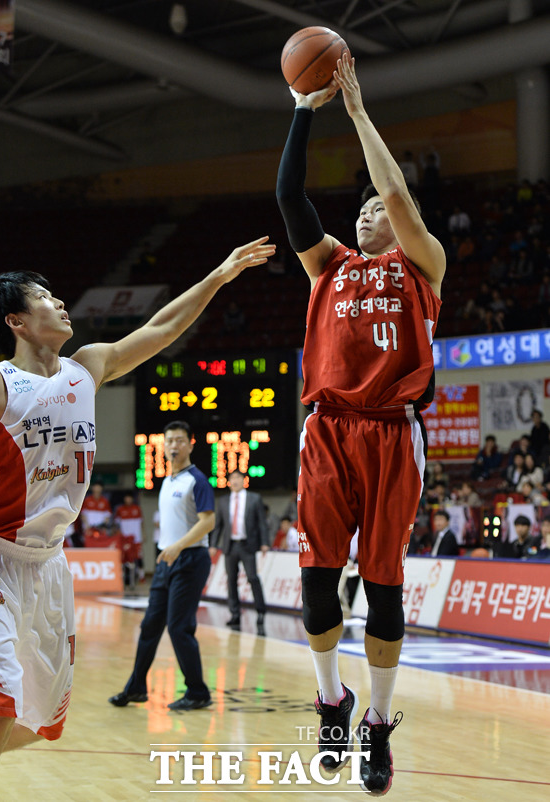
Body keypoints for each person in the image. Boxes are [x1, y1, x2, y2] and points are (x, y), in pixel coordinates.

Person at [0, 235, 275, 802]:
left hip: (49, 567)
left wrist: (219, 275)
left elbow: (160, 330)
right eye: (43, 297)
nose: (59, 303)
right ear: (16, 320)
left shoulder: (87, 367)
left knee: (38, 726)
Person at [276, 52, 445, 795]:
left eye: (375, 209)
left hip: (391, 429)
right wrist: (301, 111)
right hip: (329, 429)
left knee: (382, 590)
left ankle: (377, 723)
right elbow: (289, 196)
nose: (369, 212)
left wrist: (357, 112)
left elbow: (398, 195)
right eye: (361, 211)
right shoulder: (328, 266)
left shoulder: (422, 264)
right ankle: (330, 699)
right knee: (318, 591)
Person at [109, 420, 217, 710]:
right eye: (169, 440)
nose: (173, 445)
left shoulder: (198, 480)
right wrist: (169, 549)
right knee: (150, 625)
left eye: (180, 440)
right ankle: (136, 688)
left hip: (191, 560)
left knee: (179, 627)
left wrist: (178, 546)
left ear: (191, 444)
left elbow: (209, 521)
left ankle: (197, 692)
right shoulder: (167, 482)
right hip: (166, 561)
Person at [210, 469, 269, 635]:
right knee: (231, 581)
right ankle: (235, 614)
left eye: (237, 478)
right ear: (229, 482)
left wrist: (265, 542)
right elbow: (218, 526)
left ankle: (260, 611)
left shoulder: (254, 499)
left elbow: (261, 523)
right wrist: (213, 544)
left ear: (244, 480)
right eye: (232, 478)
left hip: (247, 545)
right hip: (230, 546)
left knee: (252, 578)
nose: (234, 481)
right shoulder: (223, 501)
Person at [114, 491, 144, 582]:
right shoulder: (120, 510)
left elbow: (142, 522)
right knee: (125, 558)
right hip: (125, 539)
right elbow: (117, 525)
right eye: (126, 498)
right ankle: (124, 578)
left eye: (129, 498)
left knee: (139, 557)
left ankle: (141, 577)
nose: (128, 500)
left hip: (137, 538)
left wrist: (143, 534)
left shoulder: (137, 509)